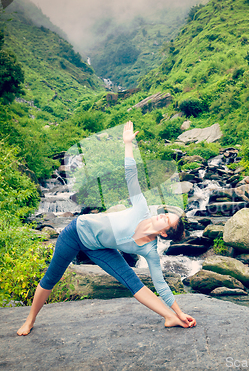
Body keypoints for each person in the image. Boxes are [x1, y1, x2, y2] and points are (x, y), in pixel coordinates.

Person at [17, 121, 196, 336]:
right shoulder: (142, 209)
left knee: (132, 281)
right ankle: (30, 320)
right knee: (51, 277)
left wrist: (179, 313)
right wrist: (127, 144)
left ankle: (169, 318)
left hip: (100, 248)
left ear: (164, 233)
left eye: (166, 219)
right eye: (166, 212)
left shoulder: (150, 251)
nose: (161, 214)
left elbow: (161, 284)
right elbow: (131, 176)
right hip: (76, 233)